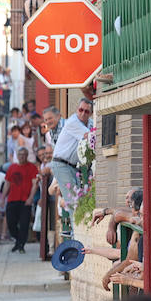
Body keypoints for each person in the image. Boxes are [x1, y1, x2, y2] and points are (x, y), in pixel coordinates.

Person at [47, 99, 92, 237]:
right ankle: (77, 235)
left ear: (90, 113)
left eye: (87, 111)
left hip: (72, 166)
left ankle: (78, 232)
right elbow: (90, 136)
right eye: (81, 110)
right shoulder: (73, 122)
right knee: (74, 202)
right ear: (76, 110)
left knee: (78, 200)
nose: (83, 113)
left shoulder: (89, 123)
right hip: (62, 164)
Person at [5, 147, 38, 253]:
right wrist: (2, 198)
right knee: (11, 224)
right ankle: (18, 241)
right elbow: (7, 183)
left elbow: (35, 184)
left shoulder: (32, 167)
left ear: (27, 155)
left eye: (24, 154)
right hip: (12, 199)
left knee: (24, 224)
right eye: (20, 154)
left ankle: (21, 245)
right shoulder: (11, 167)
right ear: (17, 155)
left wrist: (30, 198)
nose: (22, 156)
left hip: (25, 201)